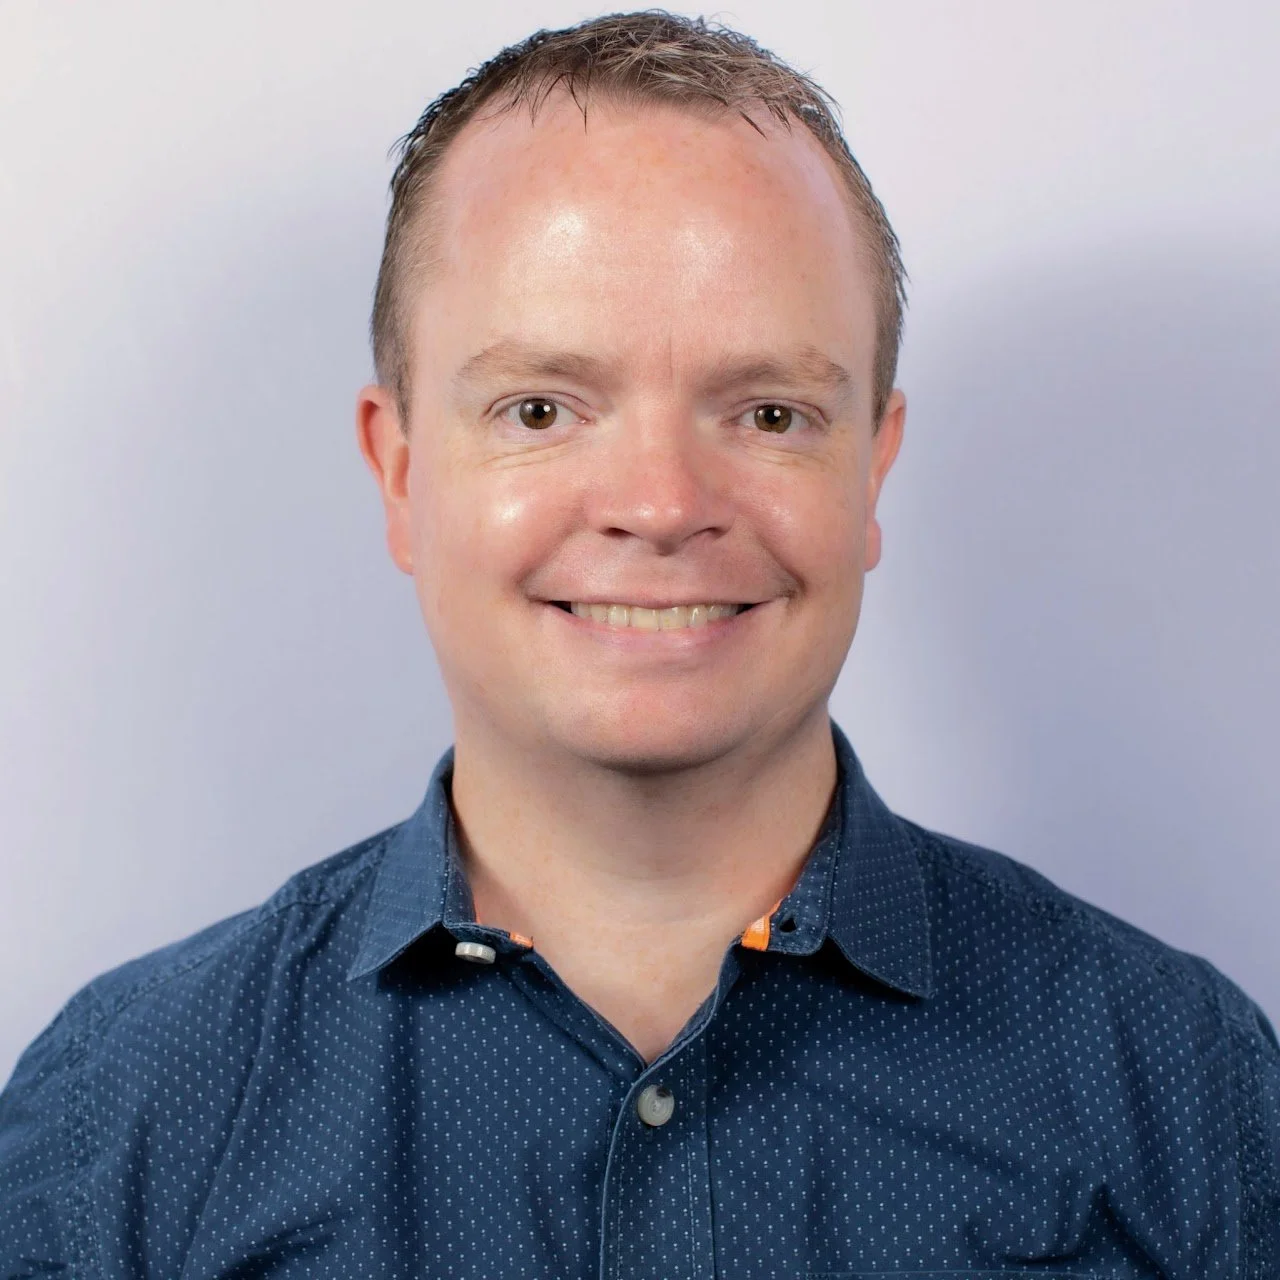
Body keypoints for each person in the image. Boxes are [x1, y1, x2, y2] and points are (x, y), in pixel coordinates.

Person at [1, 10, 1276, 1276]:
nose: (661, 505)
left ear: (870, 471)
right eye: (540, 409)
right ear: (399, 471)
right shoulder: (126, 1115)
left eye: (768, 413)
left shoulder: (1184, 1087)